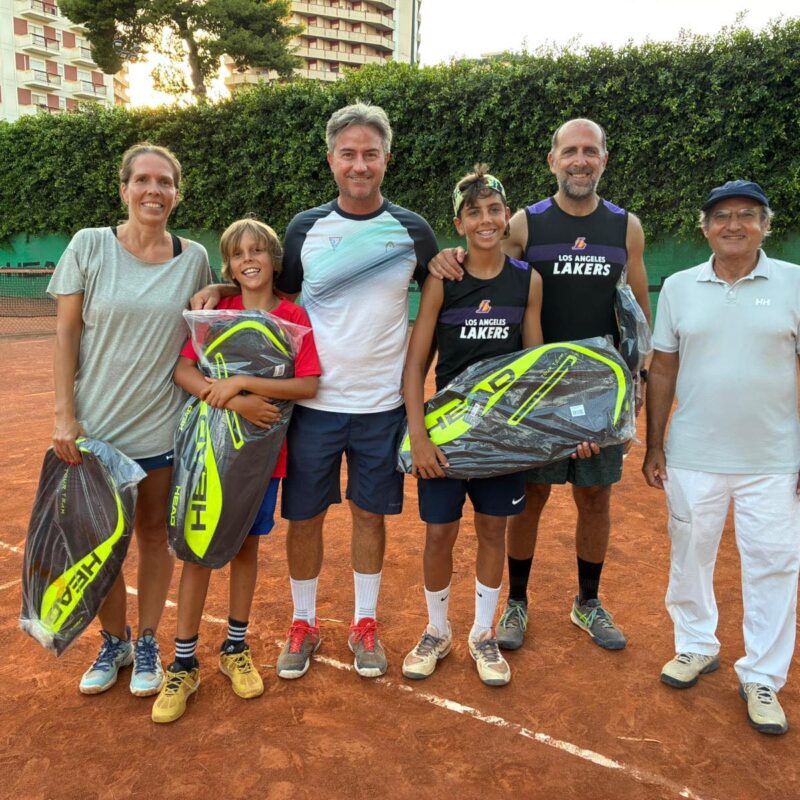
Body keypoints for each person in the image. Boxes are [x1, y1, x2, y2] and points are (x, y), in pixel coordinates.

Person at [193, 103, 438, 678]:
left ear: (386, 160)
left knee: (369, 516)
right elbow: (274, 290)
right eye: (348, 154)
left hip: (381, 407)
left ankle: (365, 623)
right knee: (304, 519)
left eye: (370, 154)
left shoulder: (413, 230)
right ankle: (302, 623)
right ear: (331, 160)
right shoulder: (305, 228)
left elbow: (444, 289)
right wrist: (223, 284)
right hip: (310, 407)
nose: (360, 165)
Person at [429, 119, 651, 652]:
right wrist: (440, 257)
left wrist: (627, 396)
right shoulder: (526, 223)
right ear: (552, 160)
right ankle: (518, 603)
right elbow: (481, 253)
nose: (580, 160)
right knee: (530, 498)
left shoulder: (627, 228)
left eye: (590, 151)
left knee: (595, 497)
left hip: (600, 401)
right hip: (535, 396)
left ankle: (587, 602)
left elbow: (639, 315)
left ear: (603, 159)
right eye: (569, 151)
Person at [48, 143, 214, 697]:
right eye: (142, 180)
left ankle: (147, 642)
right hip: (95, 435)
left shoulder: (193, 258)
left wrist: (221, 289)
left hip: (162, 431)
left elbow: (210, 322)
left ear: (177, 193)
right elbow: (67, 333)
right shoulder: (88, 245)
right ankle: (113, 640)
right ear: (124, 189)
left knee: (149, 537)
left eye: (164, 182)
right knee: (101, 546)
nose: (153, 191)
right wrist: (64, 413)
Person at [643, 180, 800, 736]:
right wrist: (656, 444)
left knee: (774, 564)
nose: (734, 225)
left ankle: (762, 675)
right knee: (690, 555)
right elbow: (662, 367)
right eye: (722, 217)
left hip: (775, 460)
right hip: (693, 457)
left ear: (766, 224)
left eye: (747, 215)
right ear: (705, 227)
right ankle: (694, 645)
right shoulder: (681, 287)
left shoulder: (794, 283)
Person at [151, 218, 320, 723]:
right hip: (207, 454)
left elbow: (308, 385)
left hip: (263, 462)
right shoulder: (215, 312)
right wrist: (227, 398)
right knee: (198, 552)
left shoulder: (293, 316)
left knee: (245, 549)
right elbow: (184, 369)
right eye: (238, 254)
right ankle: (183, 663)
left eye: (258, 251)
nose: (249, 260)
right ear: (227, 265)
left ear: (273, 259)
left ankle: (235, 648)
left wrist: (246, 384)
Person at [401, 166, 543, 686]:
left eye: (493, 210)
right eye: (473, 212)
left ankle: (482, 634)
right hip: (445, 437)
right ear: (459, 223)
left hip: (499, 439)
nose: (485, 220)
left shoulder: (528, 281)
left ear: (506, 217)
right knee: (439, 535)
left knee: (491, 532)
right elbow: (416, 365)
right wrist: (419, 435)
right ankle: (437, 630)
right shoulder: (444, 277)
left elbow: (532, 366)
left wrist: (526, 434)